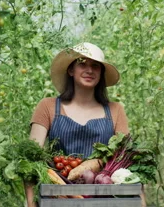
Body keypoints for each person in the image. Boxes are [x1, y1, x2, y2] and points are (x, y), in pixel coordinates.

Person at [25, 42, 145, 207]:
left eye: (95, 66)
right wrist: (31, 204)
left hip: (105, 200)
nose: (89, 70)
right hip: (57, 199)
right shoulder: (48, 107)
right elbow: (30, 162)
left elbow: (128, 162)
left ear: (101, 73)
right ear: (71, 70)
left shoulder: (115, 111)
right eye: (82, 63)